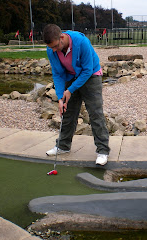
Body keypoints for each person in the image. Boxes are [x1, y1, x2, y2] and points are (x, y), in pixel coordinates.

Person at [42, 24, 110, 166]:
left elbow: (87, 70)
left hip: (91, 76)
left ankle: (103, 151)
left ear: (62, 37)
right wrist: (61, 97)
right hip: (70, 76)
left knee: (95, 113)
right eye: (51, 48)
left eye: (55, 46)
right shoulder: (51, 50)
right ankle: (62, 146)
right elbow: (57, 73)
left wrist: (70, 90)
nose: (54, 50)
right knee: (68, 113)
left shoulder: (81, 42)